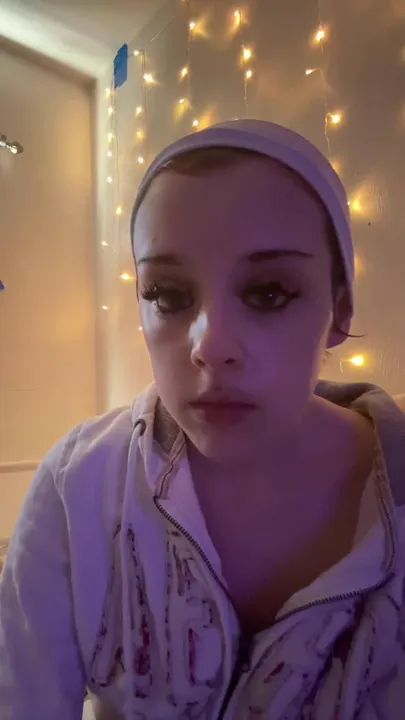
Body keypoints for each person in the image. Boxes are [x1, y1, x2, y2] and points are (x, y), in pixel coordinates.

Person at [1, 119, 405, 720]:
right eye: (167, 294)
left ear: (339, 308)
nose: (209, 346)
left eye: (268, 292)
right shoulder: (79, 485)